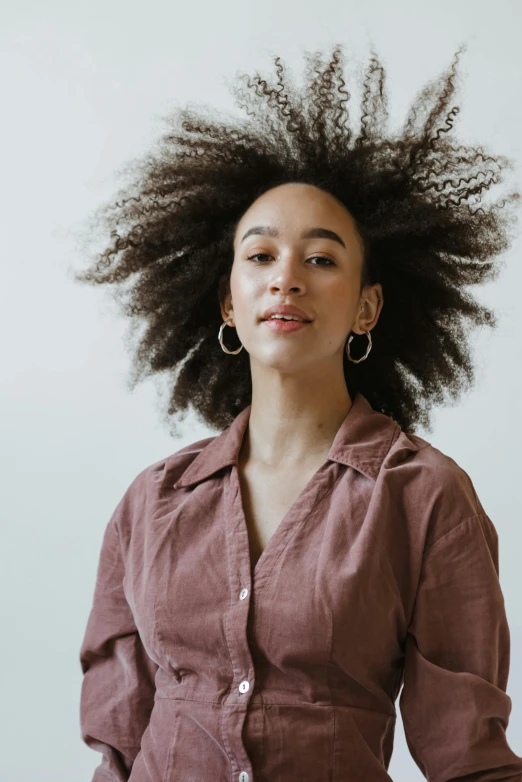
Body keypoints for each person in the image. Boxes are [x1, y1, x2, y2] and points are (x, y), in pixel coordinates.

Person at [75, 43, 522, 781]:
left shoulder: (422, 496)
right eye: (259, 257)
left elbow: (469, 758)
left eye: (320, 259)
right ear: (227, 300)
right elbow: (117, 747)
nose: (286, 278)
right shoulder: (151, 503)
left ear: (367, 305)